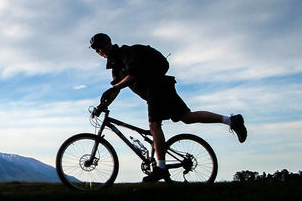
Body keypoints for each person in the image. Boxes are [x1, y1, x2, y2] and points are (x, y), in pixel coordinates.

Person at [89, 33, 247, 183]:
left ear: (108, 43)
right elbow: (116, 89)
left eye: (100, 46)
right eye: (96, 49)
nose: (98, 51)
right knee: (187, 117)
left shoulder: (127, 53)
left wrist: (115, 86)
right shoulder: (116, 67)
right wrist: (102, 106)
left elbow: (133, 76)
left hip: (156, 88)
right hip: (161, 89)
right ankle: (231, 120)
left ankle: (161, 168)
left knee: (154, 125)